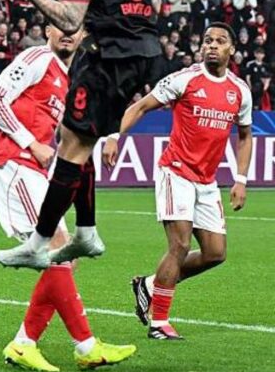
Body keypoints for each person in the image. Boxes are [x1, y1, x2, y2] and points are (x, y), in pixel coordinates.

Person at [0, 0, 163, 268]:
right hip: (146, 53)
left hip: (110, 56)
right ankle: (85, 231)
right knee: (76, 137)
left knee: (69, 146)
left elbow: (70, 21)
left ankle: (38, 243)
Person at [0, 25, 136, 371]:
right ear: (47, 29)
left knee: (66, 256)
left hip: (34, 170)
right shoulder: (37, 58)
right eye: (61, 27)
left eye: (75, 30)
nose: (68, 34)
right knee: (59, 248)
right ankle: (85, 345)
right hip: (10, 163)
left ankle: (25, 343)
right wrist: (31, 143)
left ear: (83, 37)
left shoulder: (71, 78)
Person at [107, 23, 251, 340]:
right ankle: (159, 322)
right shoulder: (184, 79)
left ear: (232, 50)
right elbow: (141, 105)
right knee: (181, 244)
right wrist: (117, 136)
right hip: (176, 171)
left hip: (207, 180)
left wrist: (241, 178)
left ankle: (148, 285)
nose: (212, 45)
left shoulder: (240, 90)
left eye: (220, 41)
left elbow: (244, 134)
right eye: (207, 40)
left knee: (216, 253)